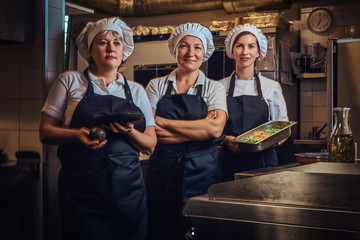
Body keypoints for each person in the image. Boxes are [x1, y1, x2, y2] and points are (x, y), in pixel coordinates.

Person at [39, 17, 157, 240]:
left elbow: (150, 145)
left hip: (128, 190)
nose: (111, 48)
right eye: (103, 42)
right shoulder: (69, 81)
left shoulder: (137, 90)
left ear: (124, 51)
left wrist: (128, 131)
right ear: (91, 51)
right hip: (82, 189)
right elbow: (45, 132)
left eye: (117, 43)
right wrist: (77, 134)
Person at [145, 23, 228, 240]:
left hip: (204, 172)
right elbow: (149, 128)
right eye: (184, 46)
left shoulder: (214, 87)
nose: (191, 53)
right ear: (175, 50)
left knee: (201, 229)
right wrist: (200, 127)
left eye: (197, 47)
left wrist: (163, 121)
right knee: (163, 229)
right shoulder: (156, 85)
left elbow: (215, 128)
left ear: (205, 52)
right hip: (163, 172)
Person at [218, 23, 289, 181]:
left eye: (251, 46)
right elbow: (212, 128)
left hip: (264, 162)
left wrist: (270, 141)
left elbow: (283, 126)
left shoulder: (271, 87)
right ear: (232, 51)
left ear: (258, 52)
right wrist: (225, 140)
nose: (245, 52)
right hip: (229, 162)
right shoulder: (220, 87)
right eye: (239, 46)